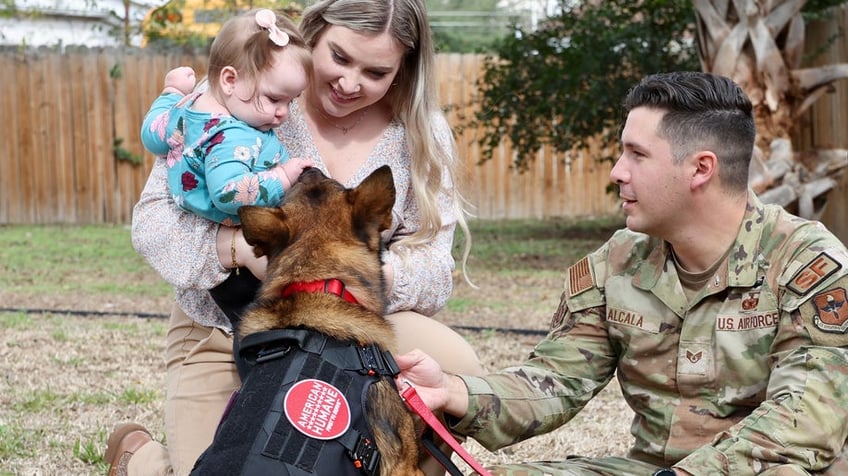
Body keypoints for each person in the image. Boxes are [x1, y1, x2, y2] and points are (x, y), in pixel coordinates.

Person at [395, 71, 848, 476]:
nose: (617, 172)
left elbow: (804, 418)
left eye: (636, 155)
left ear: (700, 168)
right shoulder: (618, 262)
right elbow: (557, 379)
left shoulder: (806, 264)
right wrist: (453, 390)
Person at [105, 1, 484, 475]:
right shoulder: (242, 93)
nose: (350, 84)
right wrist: (237, 250)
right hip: (227, 325)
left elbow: (434, 267)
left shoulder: (420, 135)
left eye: (375, 71)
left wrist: (350, 270)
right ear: (315, 34)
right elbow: (153, 222)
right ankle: (140, 458)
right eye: (340, 59)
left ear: (403, 69)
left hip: (348, 330)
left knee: (457, 375)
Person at [139, 9, 312, 227]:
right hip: (236, 227)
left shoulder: (187, 107)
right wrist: (283, 177)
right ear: (230, 80)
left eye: (291, 101)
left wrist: (171, 92)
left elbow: (151, 136)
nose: (284, 112)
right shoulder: (230, 137)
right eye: (273, 99)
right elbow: (227, 193)